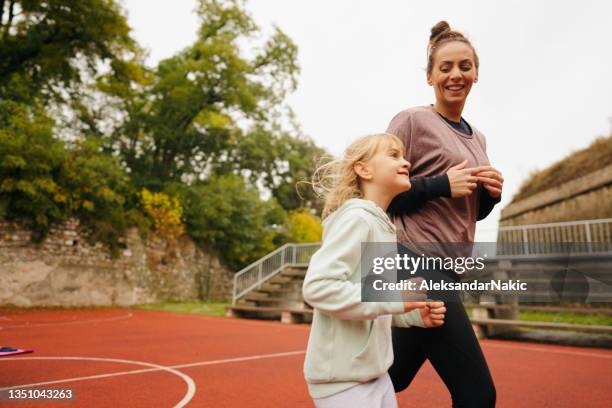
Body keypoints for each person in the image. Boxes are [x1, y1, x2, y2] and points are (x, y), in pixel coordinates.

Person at [385, 21, 503, 407]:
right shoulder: (412, 121)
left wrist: (489, 198)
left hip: (448, 268)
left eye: (465, 66)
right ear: (431, 76)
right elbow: (379, 193)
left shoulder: (478, 138)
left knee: (391, 376)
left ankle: (337, 385)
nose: (456, 75)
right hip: (411, 260)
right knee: (477, 394)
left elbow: (466, 213)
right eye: (446, 67)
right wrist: (440, 184)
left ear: (476, 74)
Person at [302, 133, 446, 408]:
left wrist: (412, 313)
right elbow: (318, 287)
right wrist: (394, 296)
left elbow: (372, 303)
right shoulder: (357, 219)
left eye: (404, 156)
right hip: (343, 382)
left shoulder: (382, 225)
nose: (406, 162)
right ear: (363, 169)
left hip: (376, 376)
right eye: (393, 155)